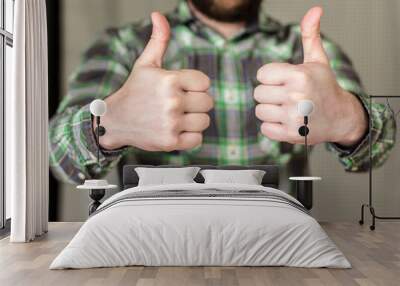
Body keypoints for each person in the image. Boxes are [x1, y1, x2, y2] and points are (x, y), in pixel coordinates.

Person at [49, 0, 396, 185]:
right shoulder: (123, 45)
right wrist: (111, 124)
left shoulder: (306, 49)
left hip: (277, 251)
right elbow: (56, 158)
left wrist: (350, 120)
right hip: (157, 252)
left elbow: (373, 155)